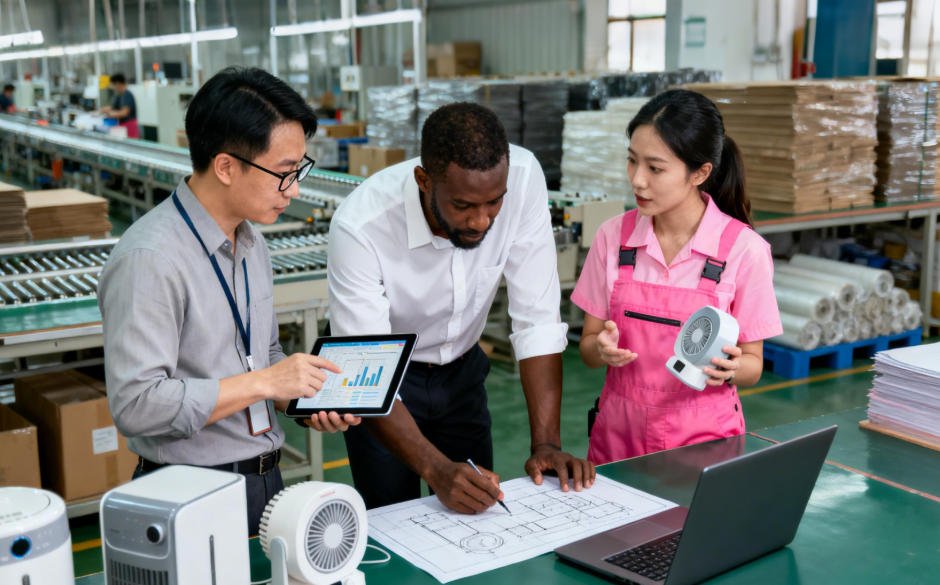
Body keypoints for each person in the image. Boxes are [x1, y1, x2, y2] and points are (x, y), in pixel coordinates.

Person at [98, 67, 360, 535]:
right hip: (189, 494)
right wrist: (265, 382)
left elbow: (264, 355)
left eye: (299, 170)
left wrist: (303, 397)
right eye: (283, 173)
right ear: (225, 166)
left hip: (265, 481)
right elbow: (136, 403)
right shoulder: (150, 258)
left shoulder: (251, 242)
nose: (295, 190)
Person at [328, 102, 596, 513]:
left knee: (475, 511)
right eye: (463, 206)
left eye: (493, 204)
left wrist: (546, 444)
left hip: (462, 376)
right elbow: (368, 375)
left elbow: (537, 318)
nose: (482, 221)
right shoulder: (361, 226)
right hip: (386, 385)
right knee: (391, 517)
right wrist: (435, 470)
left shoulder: (522, 179)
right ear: (423, 180)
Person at [571, 89, 783, 465]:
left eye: (655, 168)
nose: (637, 180)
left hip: (703, 442)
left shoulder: (742, 250)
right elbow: (588, 349)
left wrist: (732, 370)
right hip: (618, 437)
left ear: (699, 173)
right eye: (632, 162)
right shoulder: (612, 238)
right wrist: (599, 349)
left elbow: (753, 365)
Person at [100, 73, 139, 138]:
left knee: (129, 145)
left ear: (118, 84)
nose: (113, 88)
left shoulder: (127, 95)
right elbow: (113, 107)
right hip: (123, 125)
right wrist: (103, 110)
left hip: (129, 125)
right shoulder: (120, 95)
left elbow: (124, 112)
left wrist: (111, 114)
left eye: (113, 85)